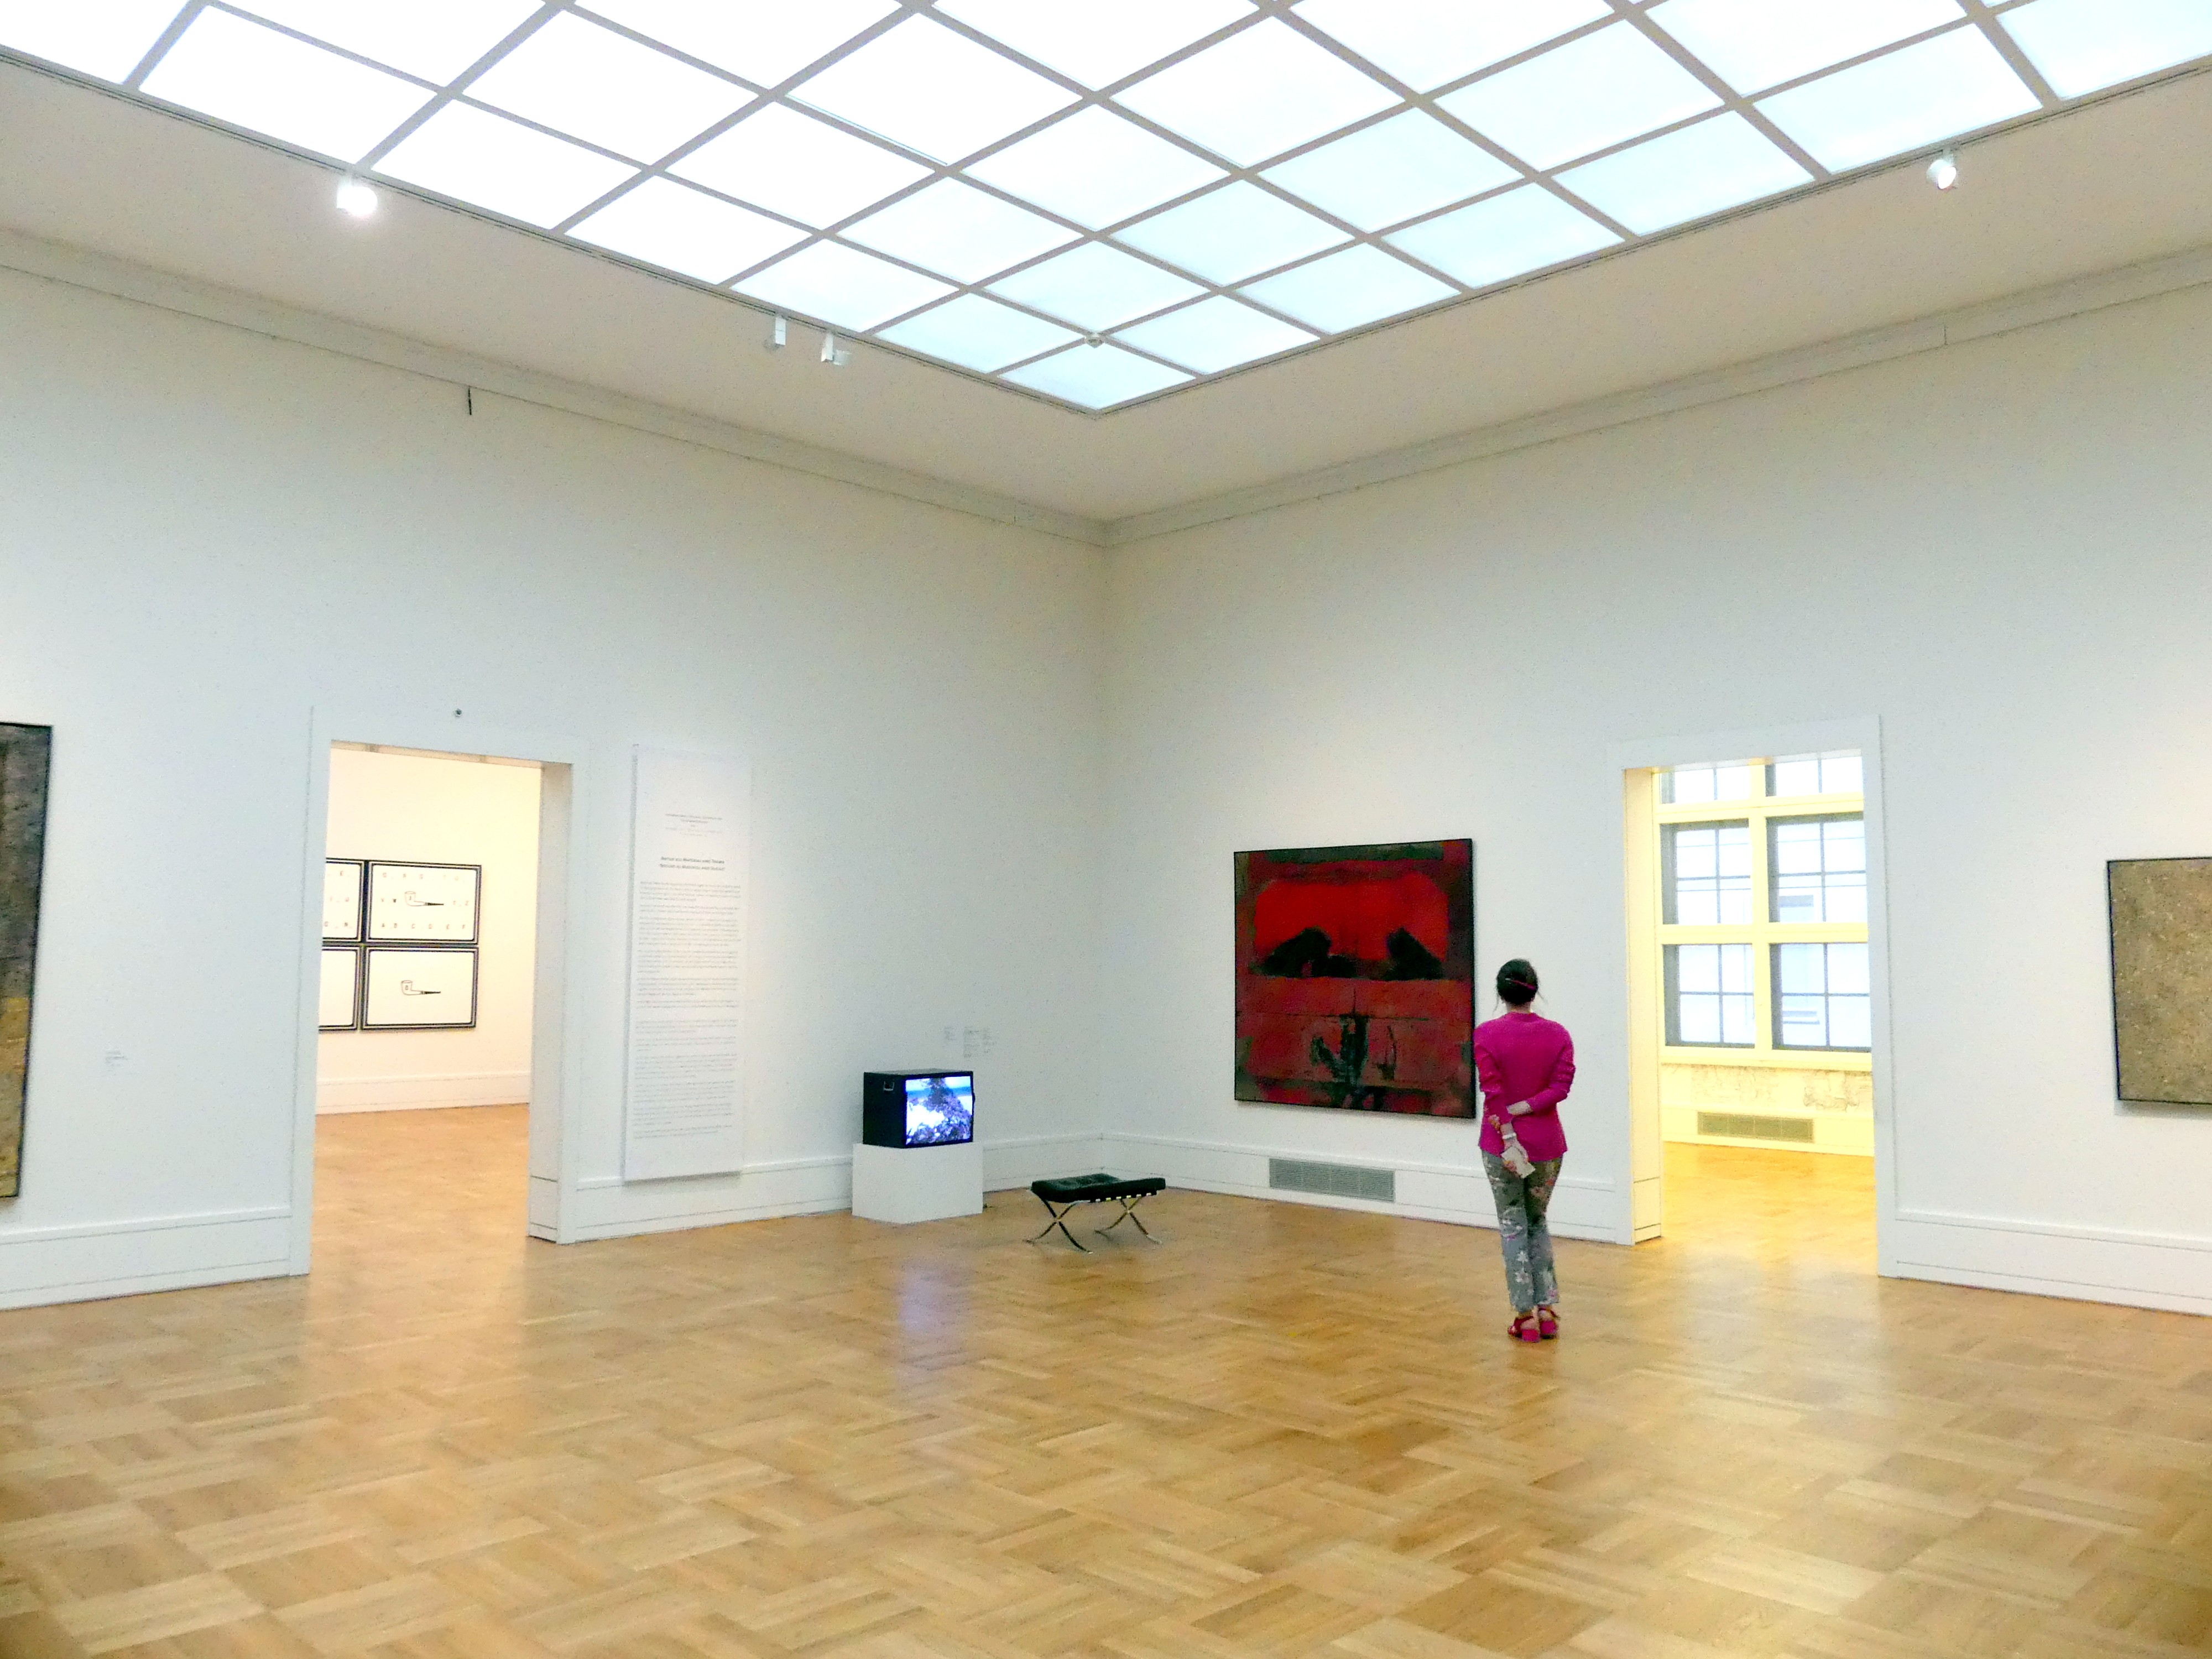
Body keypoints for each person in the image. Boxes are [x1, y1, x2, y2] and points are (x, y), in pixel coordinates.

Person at [1474, 958, 1575, 1342]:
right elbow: (1560, 1088)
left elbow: (1493, 1092)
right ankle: (1546, 1310)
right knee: (1538, 1220)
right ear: (1535, 990)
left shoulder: (1486, 1034)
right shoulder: (1558, 1034)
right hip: (1547, 1145)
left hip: (1500, 1146)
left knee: (1513, 1224)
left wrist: (1509, 1130)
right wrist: (1528, 1107)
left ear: (1501, 992)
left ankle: (1524, 1316)